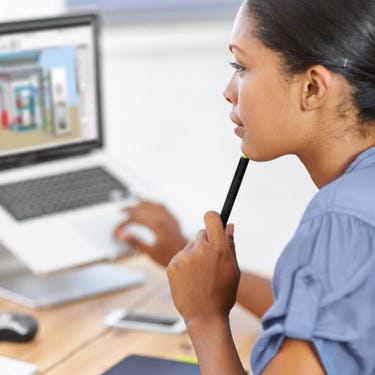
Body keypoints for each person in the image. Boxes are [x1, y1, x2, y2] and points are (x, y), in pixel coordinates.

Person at [114, 0, 375, 374]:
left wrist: (205, 319)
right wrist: (185, 259)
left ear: (313, 87)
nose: (228, 90)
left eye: (241, 66)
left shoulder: (340, 218)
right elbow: (336, 315)